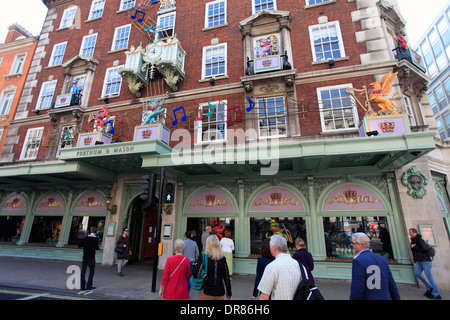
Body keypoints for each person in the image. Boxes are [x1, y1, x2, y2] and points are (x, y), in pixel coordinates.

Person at [349, 232, 400, 300]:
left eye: (353, 243)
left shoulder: (358, 261)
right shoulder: (382, 259)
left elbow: (357, 288)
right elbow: (391, 284)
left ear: (359, 244)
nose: (352, 245)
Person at [258, 235, 301, 300]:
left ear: (274, 248)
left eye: (270, 246)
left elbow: (264, 297)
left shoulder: (271, 267)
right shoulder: (299, 265)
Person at [409, 228, 441, 299]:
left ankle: (436, 293)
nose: (409, 234)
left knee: (429, 276)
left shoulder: (420, 240)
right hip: (419, 260)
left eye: (410, 232)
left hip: (425, 260)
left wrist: (415, 247)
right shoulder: (413, 240)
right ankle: (429, 288)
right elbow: (415, 252)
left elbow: (425, 249)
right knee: (417, 273)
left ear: (415, 233)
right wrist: (414, 259)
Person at [198, 235, 232, 300]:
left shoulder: (204, 257)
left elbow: (196, 273)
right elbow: (226, 277)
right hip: (219, 291)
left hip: (206, 290)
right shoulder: (222, 259)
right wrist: (229, 293)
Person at [79, 227, 100, 291]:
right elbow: (97, 247)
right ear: (95, 232)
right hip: (91, 257)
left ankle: (82, 286)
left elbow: (80, 245)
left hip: (85, 257)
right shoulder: (96, 239)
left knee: (83, 271)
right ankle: (89, 285)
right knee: (91, 271)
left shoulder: (85, 238)